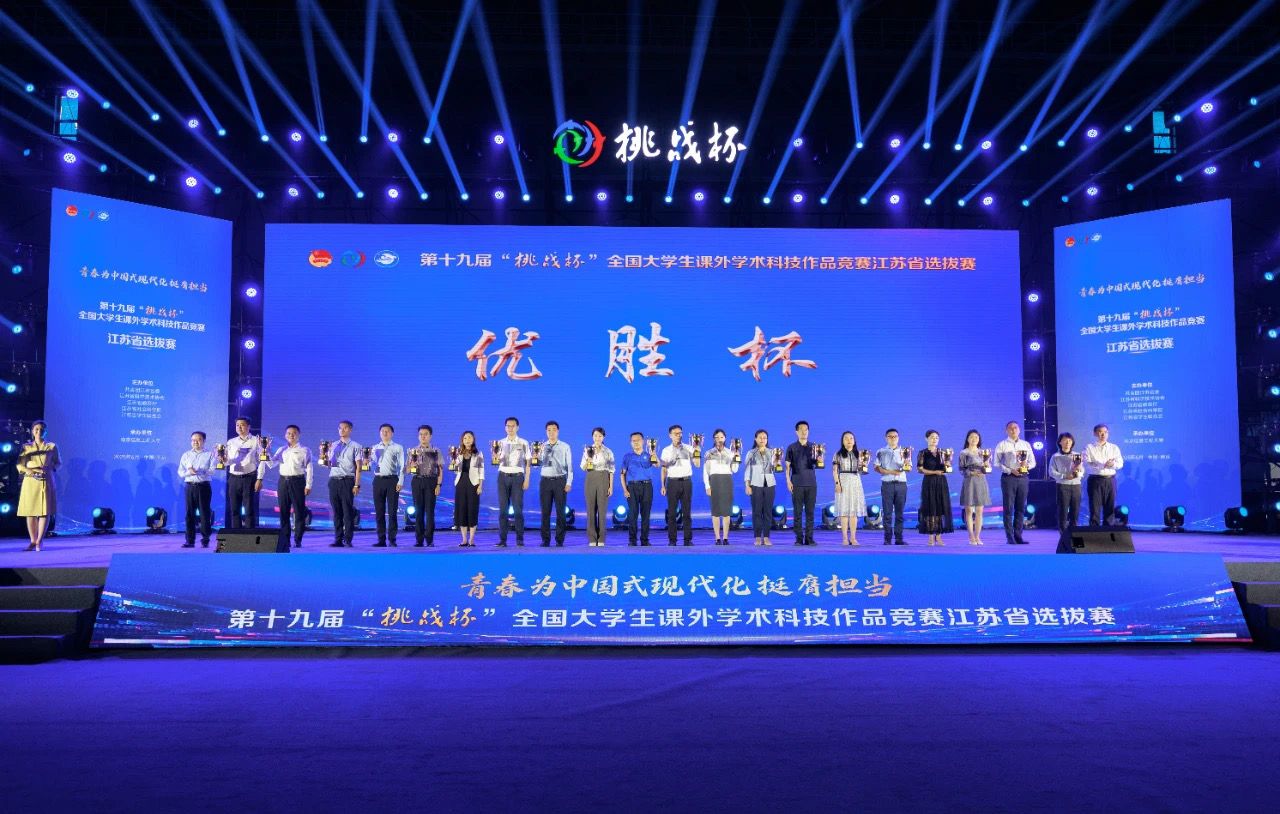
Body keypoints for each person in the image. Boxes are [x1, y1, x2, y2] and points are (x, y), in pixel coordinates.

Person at [256, 425, 313, 548]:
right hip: (283, 482)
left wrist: (308, 485)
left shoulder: (305, 450)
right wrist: (265, 452)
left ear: (298, 435)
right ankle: (285, 539)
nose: (291, 435)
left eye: (294, 433)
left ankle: (298, 539)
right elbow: (271, 464)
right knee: (283, 511)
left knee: (299, 511)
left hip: (298, 481)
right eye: (289, 433)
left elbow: (309, 468)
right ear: (285, 435)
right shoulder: (282, 449)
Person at [17, 420, 59, 551]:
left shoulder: (51, 446)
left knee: (44, 511)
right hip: (30, 481)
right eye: (36, 429)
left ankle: (39, 541)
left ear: (45, 432)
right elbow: (20, 465)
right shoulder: (26, 447)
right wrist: (29, 471)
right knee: (30, 512)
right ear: (32, 431)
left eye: (42, 429)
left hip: (46, 479)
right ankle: (32, 540)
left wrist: (50, 468)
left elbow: (58, 462)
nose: (39, 431)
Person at [994, 420, 1036, 544]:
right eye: (1010, 428)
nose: (1013, 430)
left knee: (1021, 508)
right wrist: (1010, 470)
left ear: (1019, 430)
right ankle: (1009, 537)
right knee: (1008, 508)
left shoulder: (1025, 445)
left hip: (1023, 477)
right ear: (1006, 430)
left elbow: (1033, 462)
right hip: (1008, 478)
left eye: (1015, 428)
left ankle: (1018, 535)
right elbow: (996, 463)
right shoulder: (1002, 445)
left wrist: (1026, 467)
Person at [322, 420, 362, 548]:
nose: (342, 430)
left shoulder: (356, 446)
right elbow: (330, 464)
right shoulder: (332, 445)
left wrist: (356, 484)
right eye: (340, 428)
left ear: (350, 430)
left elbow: (359, 467)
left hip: (347, 481)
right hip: (334, 480)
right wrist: (323, 456)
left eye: (345, 428)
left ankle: (348, 539)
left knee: (347, 511)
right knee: (336, 512)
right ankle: (338, 539)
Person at [495, 417, 530, 547]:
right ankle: (502, 540)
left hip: (518, 478)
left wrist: (527, 479)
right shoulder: (499, 443)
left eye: (513, 426)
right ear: (505, 428)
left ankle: (520, 539)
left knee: (518, 510)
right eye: (508, 426)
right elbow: (496, 461)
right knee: (503, 510)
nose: (510, 428)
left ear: (517, 427)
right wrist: (495, 457)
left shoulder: (524, 443)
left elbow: (528, 463)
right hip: (502, 477)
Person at [178, 431, 216, 548]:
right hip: (189, 486)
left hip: (203, 486)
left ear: (204, 441)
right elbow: (180, 472)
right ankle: (190, 540)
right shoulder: (186, 455)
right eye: (193, 440)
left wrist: (200, 471)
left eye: (198, 439)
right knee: (189, 514)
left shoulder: (210, 454)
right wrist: (189, 472)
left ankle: (205, 539)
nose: (195, 442)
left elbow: (212, 470)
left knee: (204, 513)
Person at [916, 430, 955, 545]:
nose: (934, 439)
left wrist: (949, 460)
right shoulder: (923, 453)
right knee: (930, 508)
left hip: (941, 482)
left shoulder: (943, 452)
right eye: (932, 437)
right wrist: (934, 472)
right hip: (929, 482)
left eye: (937, 437)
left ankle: (939, 536)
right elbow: (920, 469)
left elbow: (946, 469)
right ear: (926, 439)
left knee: (940, 508)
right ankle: (930, 536)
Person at [538, 420, 573, 547]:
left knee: (560, 512)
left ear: (558, 431)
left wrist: (569, 482)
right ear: (546, 432)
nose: (551, 432)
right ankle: (545, 540)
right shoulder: (541, 446)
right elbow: (537, 464)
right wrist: (536, 456)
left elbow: (569, 466)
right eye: (549, 430)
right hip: (545, 481)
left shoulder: (565, 446)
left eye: (554, 430)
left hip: (560, 481)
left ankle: (559, 540)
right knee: (545, 512)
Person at [369, 423, 404, 547]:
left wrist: (400, 481)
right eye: (382, 431)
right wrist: (366, 460)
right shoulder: (375, 448)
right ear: (380, 433)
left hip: (392, 480)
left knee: (392, 511)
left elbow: (402, 465)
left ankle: (392, 539)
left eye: (387, 431)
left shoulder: (397, 447)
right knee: (379, 512)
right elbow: (370, 464)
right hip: (378, 480)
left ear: (392, 433)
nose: (385, 433)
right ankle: (381, 540)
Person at [660, 424, 695, 546]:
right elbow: (664, 469)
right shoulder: (666, 450)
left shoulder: (689, 448)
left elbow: (697, 464)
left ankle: (687, 540)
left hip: (686, 482)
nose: (679, 435)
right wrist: (663, 485)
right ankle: (672, 540)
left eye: (680, 433)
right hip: (672, 482)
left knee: (687, 512)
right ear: (670, 435)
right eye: (676, 434)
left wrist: (697, 450)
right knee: (672, 513)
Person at [409, 425, 443, 547]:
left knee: (430, 512)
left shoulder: (436, 451)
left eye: (425, 434)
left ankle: (429, 540)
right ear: (418, 436)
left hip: (431, 482)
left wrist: (438, 484)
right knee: (418, 512)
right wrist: (412, 465)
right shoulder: (413, 450)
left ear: (430, 436)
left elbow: (440, 469)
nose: (423, 436)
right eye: (421, 434)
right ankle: (419, 540)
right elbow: (407, 470)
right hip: (417, 481)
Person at [580, 427, 615, 546]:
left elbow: (611, 470)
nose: (597, 438)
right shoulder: (587, 450)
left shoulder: (608, 451)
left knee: (602, 509)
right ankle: (592, 537)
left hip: (603, 478)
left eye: (600, 436)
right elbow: (583, 467)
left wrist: (611, 486)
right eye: (595, 435)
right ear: (592, 437)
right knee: (590, 509)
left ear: (603, 437)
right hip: (590, 477)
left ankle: (601, 538)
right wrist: (589, 460)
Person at [703, 430, 739, 545]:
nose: (719, 439)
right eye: (717, 437)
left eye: (722, 437)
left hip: (727, 481)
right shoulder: (709, 453)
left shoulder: (730, 452)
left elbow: (734, 470)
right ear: (714, 439)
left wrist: (737, 457)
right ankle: (717, 538)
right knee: (715, 512)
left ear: (725, 438)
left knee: (726, 512)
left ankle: (726, 538)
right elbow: (705, 472)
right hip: (714, 481)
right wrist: (707, 486)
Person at [620, 432, 656, 546]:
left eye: (638, 440)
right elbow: (622, 474)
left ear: (643, 441)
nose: (636, 442)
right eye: (633, 441)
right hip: (632, 487)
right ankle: (632, 540)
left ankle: (645, 540)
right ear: (631, 443)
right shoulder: (627, 456)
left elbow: (657, 465)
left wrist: (654, 454)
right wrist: (625, 489)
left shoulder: (649, 455)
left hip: (647, 486)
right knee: (633, 515)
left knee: (646, 515)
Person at [785, 420, 818, 546]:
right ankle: (799, 538)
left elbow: (819, 464)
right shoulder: (791, 447)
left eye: (806, 430)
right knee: (797, 512)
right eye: (801, 430)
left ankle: (809, 538)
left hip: (811, 483)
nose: (804, 432)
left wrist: (820, 458)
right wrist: (788, 481)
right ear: (796, 432)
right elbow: (787, 467)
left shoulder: (814, 447)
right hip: (797, 483)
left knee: (810, 513)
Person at [224, 417, 261, 528]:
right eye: (237, 425)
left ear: (249, 426)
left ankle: (249, 535)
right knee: (234, 509)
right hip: (233, 478)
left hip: (249, 477)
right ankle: (236, 534)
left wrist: (259, 478)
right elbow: (227, 462)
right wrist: (222, 459)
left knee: (249, 509)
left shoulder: (256, 440)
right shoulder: (231, 442)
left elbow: (262, 460)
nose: (239, 427)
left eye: (242, 425)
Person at [1084, 424, 1124, 526]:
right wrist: (1104, 465)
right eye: (1100, 432)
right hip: (1095, 480)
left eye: (1105, 432)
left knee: (1110, 507)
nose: (1103, 434)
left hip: (1110, 480)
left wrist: (1112, 464)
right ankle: (1094, 531)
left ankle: (1108, 531)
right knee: (1094, 508)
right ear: (1095, 433)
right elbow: (1086, 465)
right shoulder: (1089, 447)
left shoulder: (1114, 447)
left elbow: (1120, 463)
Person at [874, 429, 909, 545]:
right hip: (887, 484)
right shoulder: (881, 451)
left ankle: (899, 538)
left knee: (900, 513)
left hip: (901, 484)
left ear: (898, 438)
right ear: (886, 438)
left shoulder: (905, 451)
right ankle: (887, 538)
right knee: (887, 513)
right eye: (890, 436)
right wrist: (891, 472)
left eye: (895, 436)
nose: (893, 438)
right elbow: (876, 467)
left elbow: (908, 467)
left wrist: (905, 465)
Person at [832, 431, 866, 546]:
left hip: (855, 481)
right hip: (843, 480)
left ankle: (853, 538)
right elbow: (834, 471)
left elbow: (862, 470)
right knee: (844, 511)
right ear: (842, 441)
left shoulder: (860, 454)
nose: (849, 440)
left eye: (851, 438)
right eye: (846, 438)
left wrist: (864, 467)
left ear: (854, 441)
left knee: (853, 512)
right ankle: (845, 538)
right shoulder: (838, 454)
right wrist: (837, 484)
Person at [743, 430, 776, 546]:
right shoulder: (751, 453)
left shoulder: (772, 452)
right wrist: (747, 485)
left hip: (770, 484)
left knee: (768, 512)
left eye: (765, 438)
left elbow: (776, 468)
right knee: (757, 512)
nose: (762, 440)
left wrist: (777, 462)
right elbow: (747, 470)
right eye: (760, 437)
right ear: (755, 439)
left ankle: (766, 537)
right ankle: (757, 537)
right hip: (756, 484)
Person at [958, 430, 990, 545]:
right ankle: (971, 536)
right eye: (971, 437)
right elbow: (961, 469)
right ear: (967, 439)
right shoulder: (964, 452)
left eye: (976, 437)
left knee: (979, 511)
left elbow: (987, 468)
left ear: (979, 439)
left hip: (981, 481)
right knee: (969, 510)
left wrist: (986, 467)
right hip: (969, 481)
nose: (974, 439)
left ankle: (977, 537)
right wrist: (971, 473)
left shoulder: (983, 452)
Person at [453, 431, 484, 547]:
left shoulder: (478, 454)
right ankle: (464, 539)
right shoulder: (457, 453)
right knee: (462, 510)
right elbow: (455, 471)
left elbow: (481, 471)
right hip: (461, 483)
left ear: (473, 439)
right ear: (462, 440)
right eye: (465, 438)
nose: (467, 440)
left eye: (469, 437)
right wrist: (453, 463)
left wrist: (480, 485)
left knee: (472, 510)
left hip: (473, 484)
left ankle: (471, 539)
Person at [1049, 433, 1083, 532]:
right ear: (1060, 442)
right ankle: (1063, 534)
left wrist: (1077, 473)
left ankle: (1074, 533)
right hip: (1062, 486)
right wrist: (1064, 476)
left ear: (1072, 442)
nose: (1067, 442)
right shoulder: (1055, 456)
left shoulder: (1077, 455)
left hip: (1076, 485)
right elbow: (1051, 472)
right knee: (1063, 511)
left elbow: (1082, 470)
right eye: (1065, 440)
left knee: (1075, 511)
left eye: (1070, 440)